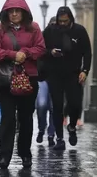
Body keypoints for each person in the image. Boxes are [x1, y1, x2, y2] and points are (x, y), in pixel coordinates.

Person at [0, 0, 45, 169]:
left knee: (26, 117)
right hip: (7, 79)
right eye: (10, 11)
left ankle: (25, 153)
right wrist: (13, 55)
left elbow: (40, 49)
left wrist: (26, 54)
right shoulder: (0, 29)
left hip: (29, 79)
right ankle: (4, 156)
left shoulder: (34, 28)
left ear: (23, 12)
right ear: (6, 13)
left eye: (17, 11)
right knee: (7, 117)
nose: (14, 14)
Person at [43, 6, 92, 150]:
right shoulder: (50, 31)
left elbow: (87, 52)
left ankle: (72, 126)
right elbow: (40, 49)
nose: (63, 24)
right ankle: (59, 138)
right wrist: (51, 52)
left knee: (75, 103)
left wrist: (85, 70)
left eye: (65, 21)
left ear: (70, 19)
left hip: (74, 73)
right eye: (60, 21)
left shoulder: (79, 31)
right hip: (55, 74)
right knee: (57, 106)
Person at [35, 16, 56, 147]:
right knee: (42, 105)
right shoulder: (42, 38)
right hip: (42, 77)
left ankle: (51, 134)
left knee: (54, 108)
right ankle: (41, 128)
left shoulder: (64, 39)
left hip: (57, 79)